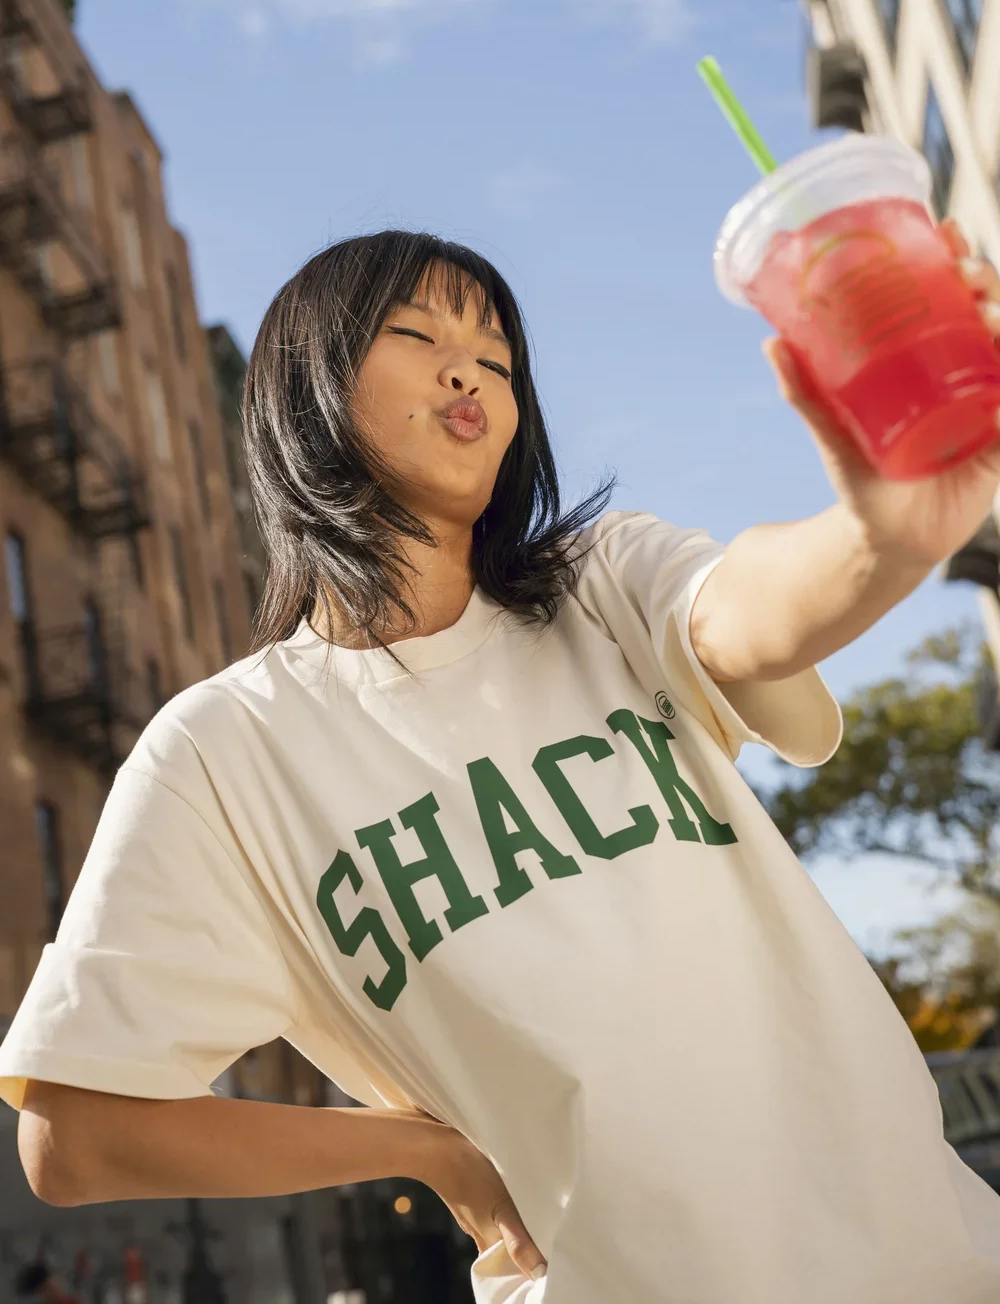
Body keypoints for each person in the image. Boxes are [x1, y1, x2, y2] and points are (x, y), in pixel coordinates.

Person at [3, 224, 1000, 1304]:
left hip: (933, 1261)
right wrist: (421, 1151)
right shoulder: (225, 753)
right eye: (417, 331)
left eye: (497, 353)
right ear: (307, 392)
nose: (468, 365)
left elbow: (751, 614)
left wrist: (883, 531)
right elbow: (79, 1130)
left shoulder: (600, 587)